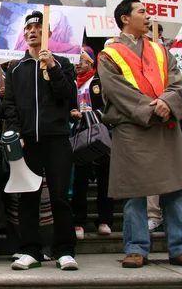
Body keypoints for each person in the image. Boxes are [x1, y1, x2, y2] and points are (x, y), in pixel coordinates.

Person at [98, 0, 182, 269]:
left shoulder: (161, 50)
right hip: (132, 127)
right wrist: (151, 108)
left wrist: (167, 103)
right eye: (142, 12)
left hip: (165, 125)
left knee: (175, 189)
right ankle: (136, 248)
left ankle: (181, 247)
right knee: (135, 191)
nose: (148, 16)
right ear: (125, 18)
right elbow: (115, 90)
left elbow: (176, 82)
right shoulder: (108, 54)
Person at [3, 10, 79, 271]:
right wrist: (16, 133)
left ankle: (65, 250)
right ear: (24, 35)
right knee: (28, 198)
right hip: (28, 143)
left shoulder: (63, 64)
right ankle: (30, 250)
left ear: (47, 33)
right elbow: (9, 104)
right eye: (28, 28)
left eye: (37, 27)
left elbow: (68, 96)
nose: (32, 31)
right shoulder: (15, 69)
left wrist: (54, 69)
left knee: (59, 197)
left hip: (57, 139)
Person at [69, 47, 113, 240]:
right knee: (80, 181)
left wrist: (85, 116)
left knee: (105, 179)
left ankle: (105, 220)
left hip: (100, 136)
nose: (78, 64)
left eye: (82, 60)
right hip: (79, 137)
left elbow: (108, 108)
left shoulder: (100, 82)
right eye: (76, 60)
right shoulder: (71, 83)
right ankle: (79, 222)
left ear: (91, 62)